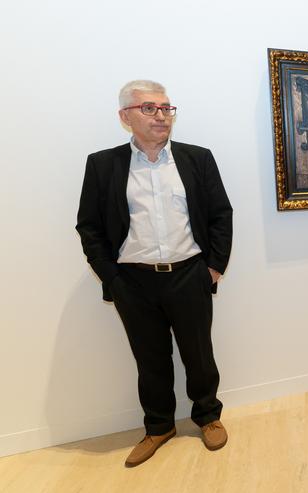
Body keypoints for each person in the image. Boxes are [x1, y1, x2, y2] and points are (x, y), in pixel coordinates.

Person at [76, 80, 233, 467]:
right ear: (125, 117)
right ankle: (159, 426)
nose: (161, 116)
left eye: (166, 108)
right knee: (149, 359)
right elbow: (89, 227)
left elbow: (220, 215)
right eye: (149, 108)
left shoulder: (197, 158)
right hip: (133, 281)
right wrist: (112, 280)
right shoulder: (103, 164)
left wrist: (213, 268)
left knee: (199, 354)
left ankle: (208, 417)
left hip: (189, 275)